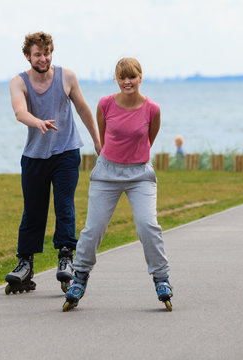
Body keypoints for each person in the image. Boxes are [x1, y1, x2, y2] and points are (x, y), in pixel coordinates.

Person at [63, 58, 173, 311]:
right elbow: (102, 137)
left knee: (148, 225)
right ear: (116, 78)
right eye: (122, 77)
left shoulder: (152, 109)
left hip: (140, 175)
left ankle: (161, 278)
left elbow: (148, 139)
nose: (127, 82)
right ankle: (79, 277)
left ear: (140, 77)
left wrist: (134, 160)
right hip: (106, 173)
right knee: (93, 229)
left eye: (132, 76)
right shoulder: (105, 104)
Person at [5, 32, 101, 295]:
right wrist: (38, 122)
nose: (43, 58)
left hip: (66, 152)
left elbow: (82, 108)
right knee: (33, 211)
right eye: (38, 54)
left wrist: (97, 140)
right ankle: (25, 263)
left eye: (47, 53)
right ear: (28, 56)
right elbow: (19, 111)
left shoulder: (66, 77)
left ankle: (66, 256)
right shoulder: (18, 82)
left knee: (64, 205)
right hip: (34, 155)